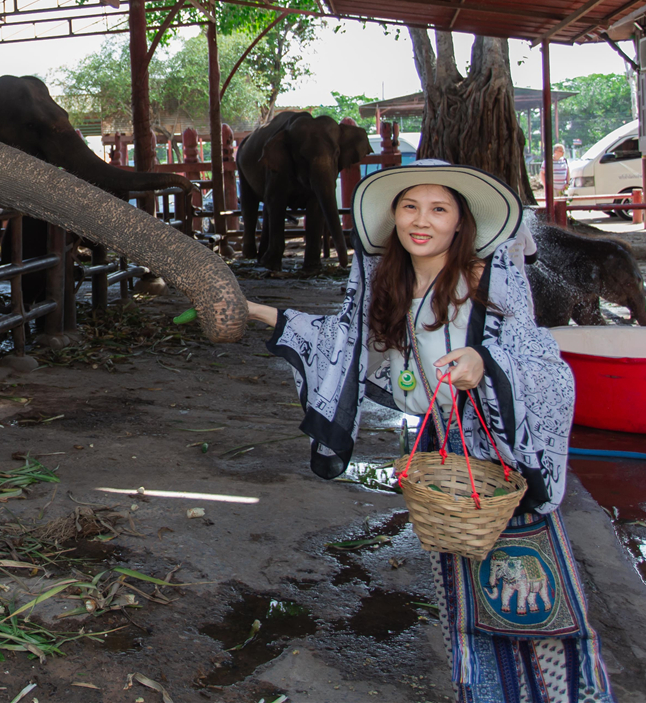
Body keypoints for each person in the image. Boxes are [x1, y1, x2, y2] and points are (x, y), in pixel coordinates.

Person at [247, 160, 613, 703]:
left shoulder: (489, 276)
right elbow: (339, 340)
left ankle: (562, 694)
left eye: (439, 209)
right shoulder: (382, 280)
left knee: (528, 586)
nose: (423, 221)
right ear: (393, 216)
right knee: (463, 582)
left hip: (501, 451)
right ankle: (484, 692)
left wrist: (485, 362)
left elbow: (538, 356)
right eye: (410, 207)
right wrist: (251, 310)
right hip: (438, 451)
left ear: (461, 222)